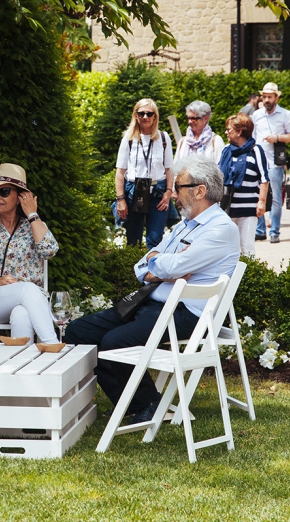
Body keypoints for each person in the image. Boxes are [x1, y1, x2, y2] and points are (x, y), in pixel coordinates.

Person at [66, 156, 240, 424]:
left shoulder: (221, 229)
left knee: (113, 341)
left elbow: (174, 265)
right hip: (151, 303)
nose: (172, 195)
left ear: (200, 190)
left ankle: (146, 404)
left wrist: (163, 266)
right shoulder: (184, 225)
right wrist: (158, 264)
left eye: (178, 187)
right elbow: (147, 266)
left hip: (185, 313)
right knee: (78, 331)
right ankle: (136, 402)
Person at [0, 164, 60, 344]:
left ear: (20, 197)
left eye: (5, 192)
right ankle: (52, 345)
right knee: (28, 288)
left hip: (30, 303)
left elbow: (49, 251)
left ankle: (24, 366)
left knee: (21, 313)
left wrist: (32, 214)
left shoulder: (34, 226)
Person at [115, 98, 174, 248]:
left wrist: (168, 192)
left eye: (149, 113)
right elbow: (120, 172)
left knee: (155, 239)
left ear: (155, 116)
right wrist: (120, 200)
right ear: (136, 115)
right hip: (134, 191)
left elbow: (169, 169)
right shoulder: (128, 139)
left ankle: (152, 271)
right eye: (141, 113)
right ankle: (133, 270)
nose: (145, 117)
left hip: (157, 193)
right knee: (133, 240)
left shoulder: (163, 137)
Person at [252, 83, 290, 243]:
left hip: (275, 163)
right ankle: (260, 230)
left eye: (269, 97)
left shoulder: (285, 115)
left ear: (276, 98)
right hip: (258, 162)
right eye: (264, 97)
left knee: (276, 197)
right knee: (257, 196)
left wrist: (277, 138)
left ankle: (275, 231)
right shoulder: (256, 115)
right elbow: (252, 136)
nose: (266, 100)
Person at [219, 113, 269, 255]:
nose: (226, 132)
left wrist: (261, 202)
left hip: (248, 209)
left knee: (246, 248)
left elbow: (264, 178)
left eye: (229, 129)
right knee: (228, 249)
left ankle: (248, 276)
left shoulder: (256, 150)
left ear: (240, 131)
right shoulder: (226, 151)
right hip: (227, 208)